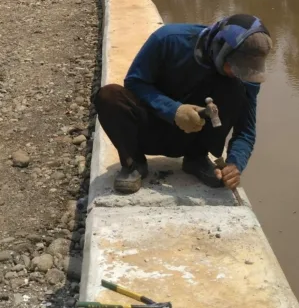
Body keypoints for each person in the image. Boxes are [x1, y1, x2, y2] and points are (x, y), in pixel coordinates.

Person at [94, 14, 272, 194]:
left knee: (235, 91)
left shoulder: (246, 77)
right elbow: (134, 82)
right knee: (109, 96)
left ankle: (196, 159)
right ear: (221, 50)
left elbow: (245, 131)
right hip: (150, 129)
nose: (239, 73)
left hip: (193, 138)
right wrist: (174, 110)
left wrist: (235, 164)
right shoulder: (168, 40)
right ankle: (133, 163)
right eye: (235, 67)